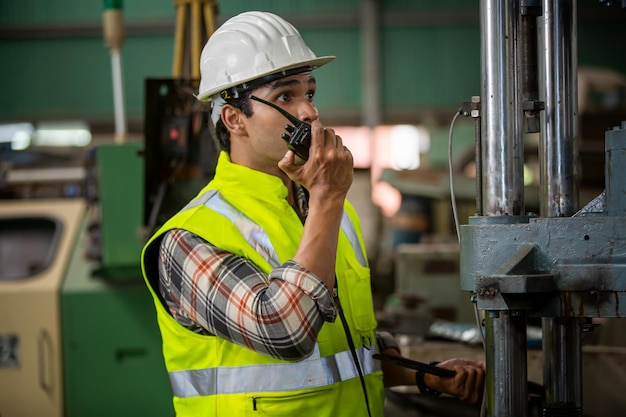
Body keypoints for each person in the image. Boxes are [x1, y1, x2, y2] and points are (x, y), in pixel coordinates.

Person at [141, 11, 485, 417]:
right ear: (234, 119)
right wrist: (326, 197)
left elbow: (343, 352)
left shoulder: (331, 212)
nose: (308, 112)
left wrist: (425, 376)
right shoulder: (189, 238)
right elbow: (285, 332)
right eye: (286, 96)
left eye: (310, 93)